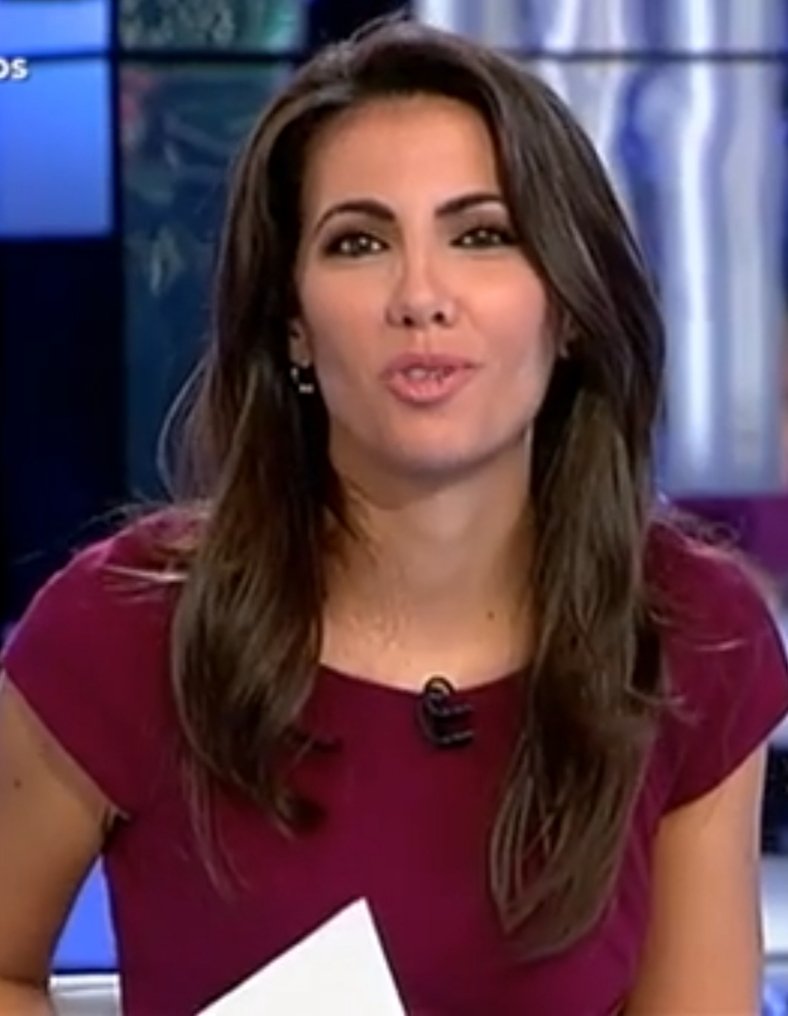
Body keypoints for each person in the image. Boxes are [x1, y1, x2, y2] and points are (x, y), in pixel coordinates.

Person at [1, 16, 787, 1016]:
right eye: (359, 242)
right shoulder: (121, 630)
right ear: (293, 324)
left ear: (569, 308)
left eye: (481, 235)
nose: (420, 295)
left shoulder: (692, 633)